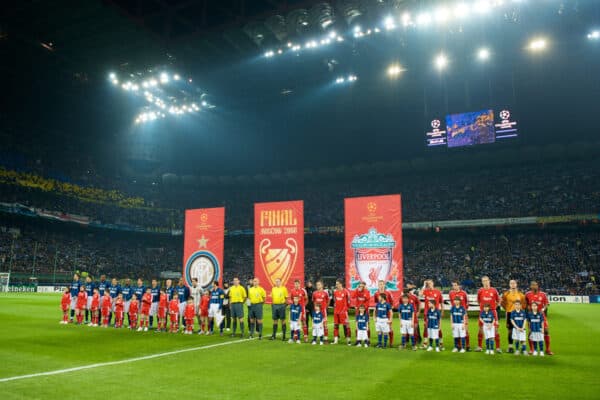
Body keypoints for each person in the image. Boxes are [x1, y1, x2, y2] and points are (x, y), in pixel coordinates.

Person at [525, 281, 552, 355]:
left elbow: (547, 303)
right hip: (531, 315)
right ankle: (531, 349)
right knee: (530, 331)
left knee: (546, 331)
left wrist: (543, 309)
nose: (534, 286)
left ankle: (548, 349)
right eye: (533, 285)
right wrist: (528, 311)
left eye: (536, 285)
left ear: (538, 286)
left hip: (541, 315)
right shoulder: (527, 294)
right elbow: (525, 304)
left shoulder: (543, 294)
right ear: (531, 286)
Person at [476, 276, 501, 353]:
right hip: (483, 312)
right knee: (480, 329)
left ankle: (497, 348)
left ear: (489, 281)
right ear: (482, 282)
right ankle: (479, 347)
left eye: (486, 280)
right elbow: (478, 301)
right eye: (483, 281)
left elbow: (498, 300)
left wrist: (494, 308)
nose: (485, 282)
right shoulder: (480, 291)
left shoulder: (494, 290)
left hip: (493, 312)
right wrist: (483, 309)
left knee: (496, 330)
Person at [501, 279, 527, 353]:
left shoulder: (521, 294)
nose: (512, 284)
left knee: (521, 329)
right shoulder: (506, 294)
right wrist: (507, 309)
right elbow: (502, 303)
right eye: (511, 283)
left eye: (514, 283)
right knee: (510, 331)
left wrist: (520, 310)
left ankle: (522, 347)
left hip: (519, 314)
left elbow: (524, 304)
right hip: (510, 313)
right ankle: (510, 347)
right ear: (509, 285)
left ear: (516, 284)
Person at [420, 279, 443, 349]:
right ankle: (425, 344)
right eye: (428, 284)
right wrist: (424, 285)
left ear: (433, 283)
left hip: (435, 313)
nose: (429, 285)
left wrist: (442, 311)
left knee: (438, 328)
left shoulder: (438, 292)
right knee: (426, 327)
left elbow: (441, 302)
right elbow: (420, 294)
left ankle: (441, 343)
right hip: (427, 313)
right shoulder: (426, 291)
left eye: (430, 283)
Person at [448, 281, 470, 350]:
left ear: (458, 286)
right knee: (456, 330)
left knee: (465, 330)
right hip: (455, 314)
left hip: (463, 314)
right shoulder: (451, 293)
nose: (454, 287)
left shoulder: (463, 293)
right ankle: (458, 346)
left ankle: (467, 345)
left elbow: (467, 302)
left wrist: (464, 311)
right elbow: (452, 303)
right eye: (453, 285)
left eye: (455, 285)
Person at [374, 280, 396, 347]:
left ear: (384, 285)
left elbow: (392, 303)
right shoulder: (376, 293)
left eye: (382, 284)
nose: (381, 285)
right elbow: (376, 303)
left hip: (387, 315)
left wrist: (389, 310)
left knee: (390, 328)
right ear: (378, 285)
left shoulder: (388, 293)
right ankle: (380, 342)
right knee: (379, 329)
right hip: (379, 315)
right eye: (380, 284)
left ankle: (391, 342)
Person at [332, 279, 351, 345]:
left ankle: (348, 340)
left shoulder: (346, 292)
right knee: (335, 326)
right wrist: (335, 310)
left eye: (337, 284)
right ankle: (335, 340)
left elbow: (348, 303)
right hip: (336, 312)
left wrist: (344, 310)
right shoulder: (335, 292)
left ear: (341, 284)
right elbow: (334, 302)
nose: (336, 285)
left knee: (346, 326)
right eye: (336, 284)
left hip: (343, 312)